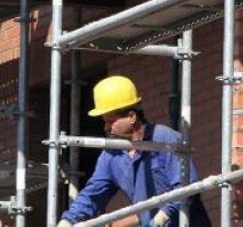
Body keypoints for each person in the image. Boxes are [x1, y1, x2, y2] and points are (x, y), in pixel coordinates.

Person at [57, 76, 210, 227]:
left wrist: (163, 215)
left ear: (131, 116)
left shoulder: (164, 139)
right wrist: (69, 220)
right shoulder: (112, 154)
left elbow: (187, 186)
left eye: (111, 122)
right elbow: (94, 193)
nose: (106, 128)